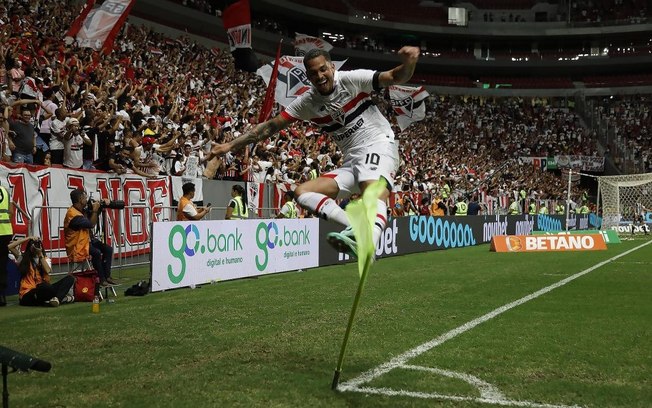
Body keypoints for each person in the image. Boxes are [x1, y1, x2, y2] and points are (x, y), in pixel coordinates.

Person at [210, 46, 419, 256]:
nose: (319, 76)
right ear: (307, 76)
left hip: (379, 144)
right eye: (313, 73)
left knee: (371, 189)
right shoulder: (307, 102)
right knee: (302, 192)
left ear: (331, 67)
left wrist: (409, 63)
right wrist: (229, 146)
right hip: (352, 160)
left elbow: (394, 76)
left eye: (323, 69)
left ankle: (369, 239)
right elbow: (270, 127)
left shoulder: (350, 80)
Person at [63, 189, 116, 286]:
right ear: (80, 199)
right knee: (96, 252)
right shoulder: (73, 215)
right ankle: (100, 279)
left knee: (108, 249)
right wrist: (95, 210)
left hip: (86, 242)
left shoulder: (80, 210)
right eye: (85, 197)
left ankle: (107, 276)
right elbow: (91, 223)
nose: (87, 199)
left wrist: (101, 204)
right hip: (77, 246)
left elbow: (93, 216)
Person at [9, 236, 75, 307]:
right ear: (29, 247)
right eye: (33, 245)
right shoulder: (23, 258)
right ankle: (60, 299)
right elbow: (10, 247)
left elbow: (47, 270)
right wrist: (28, 238)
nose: (35, 247)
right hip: (28, 293)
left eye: (37, 245)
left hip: (44, 290)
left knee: (70, 279)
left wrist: (40, 254)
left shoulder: (45, 259)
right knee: (44, 288)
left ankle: (57, 299)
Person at [0, 181, 14, 306]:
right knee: (3, 263)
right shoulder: (5, 191)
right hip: (5, 231)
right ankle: (2, 295)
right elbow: (11, 212)